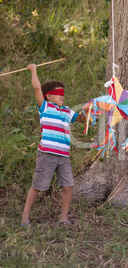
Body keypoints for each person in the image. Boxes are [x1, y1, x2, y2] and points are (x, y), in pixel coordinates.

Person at [21, 64, 87, 226]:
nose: (62, 96)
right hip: (47, 155)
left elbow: (82, 119)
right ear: (48, 96)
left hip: (63, 156)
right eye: (58, 94)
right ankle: (24, 218)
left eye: (63, 94)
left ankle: (64, 218)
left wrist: (92, 110)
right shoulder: (44, 107)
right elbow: (37, 87)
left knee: (68, 186)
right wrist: (33, 69)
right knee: (37, 186)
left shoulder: (66, 111)